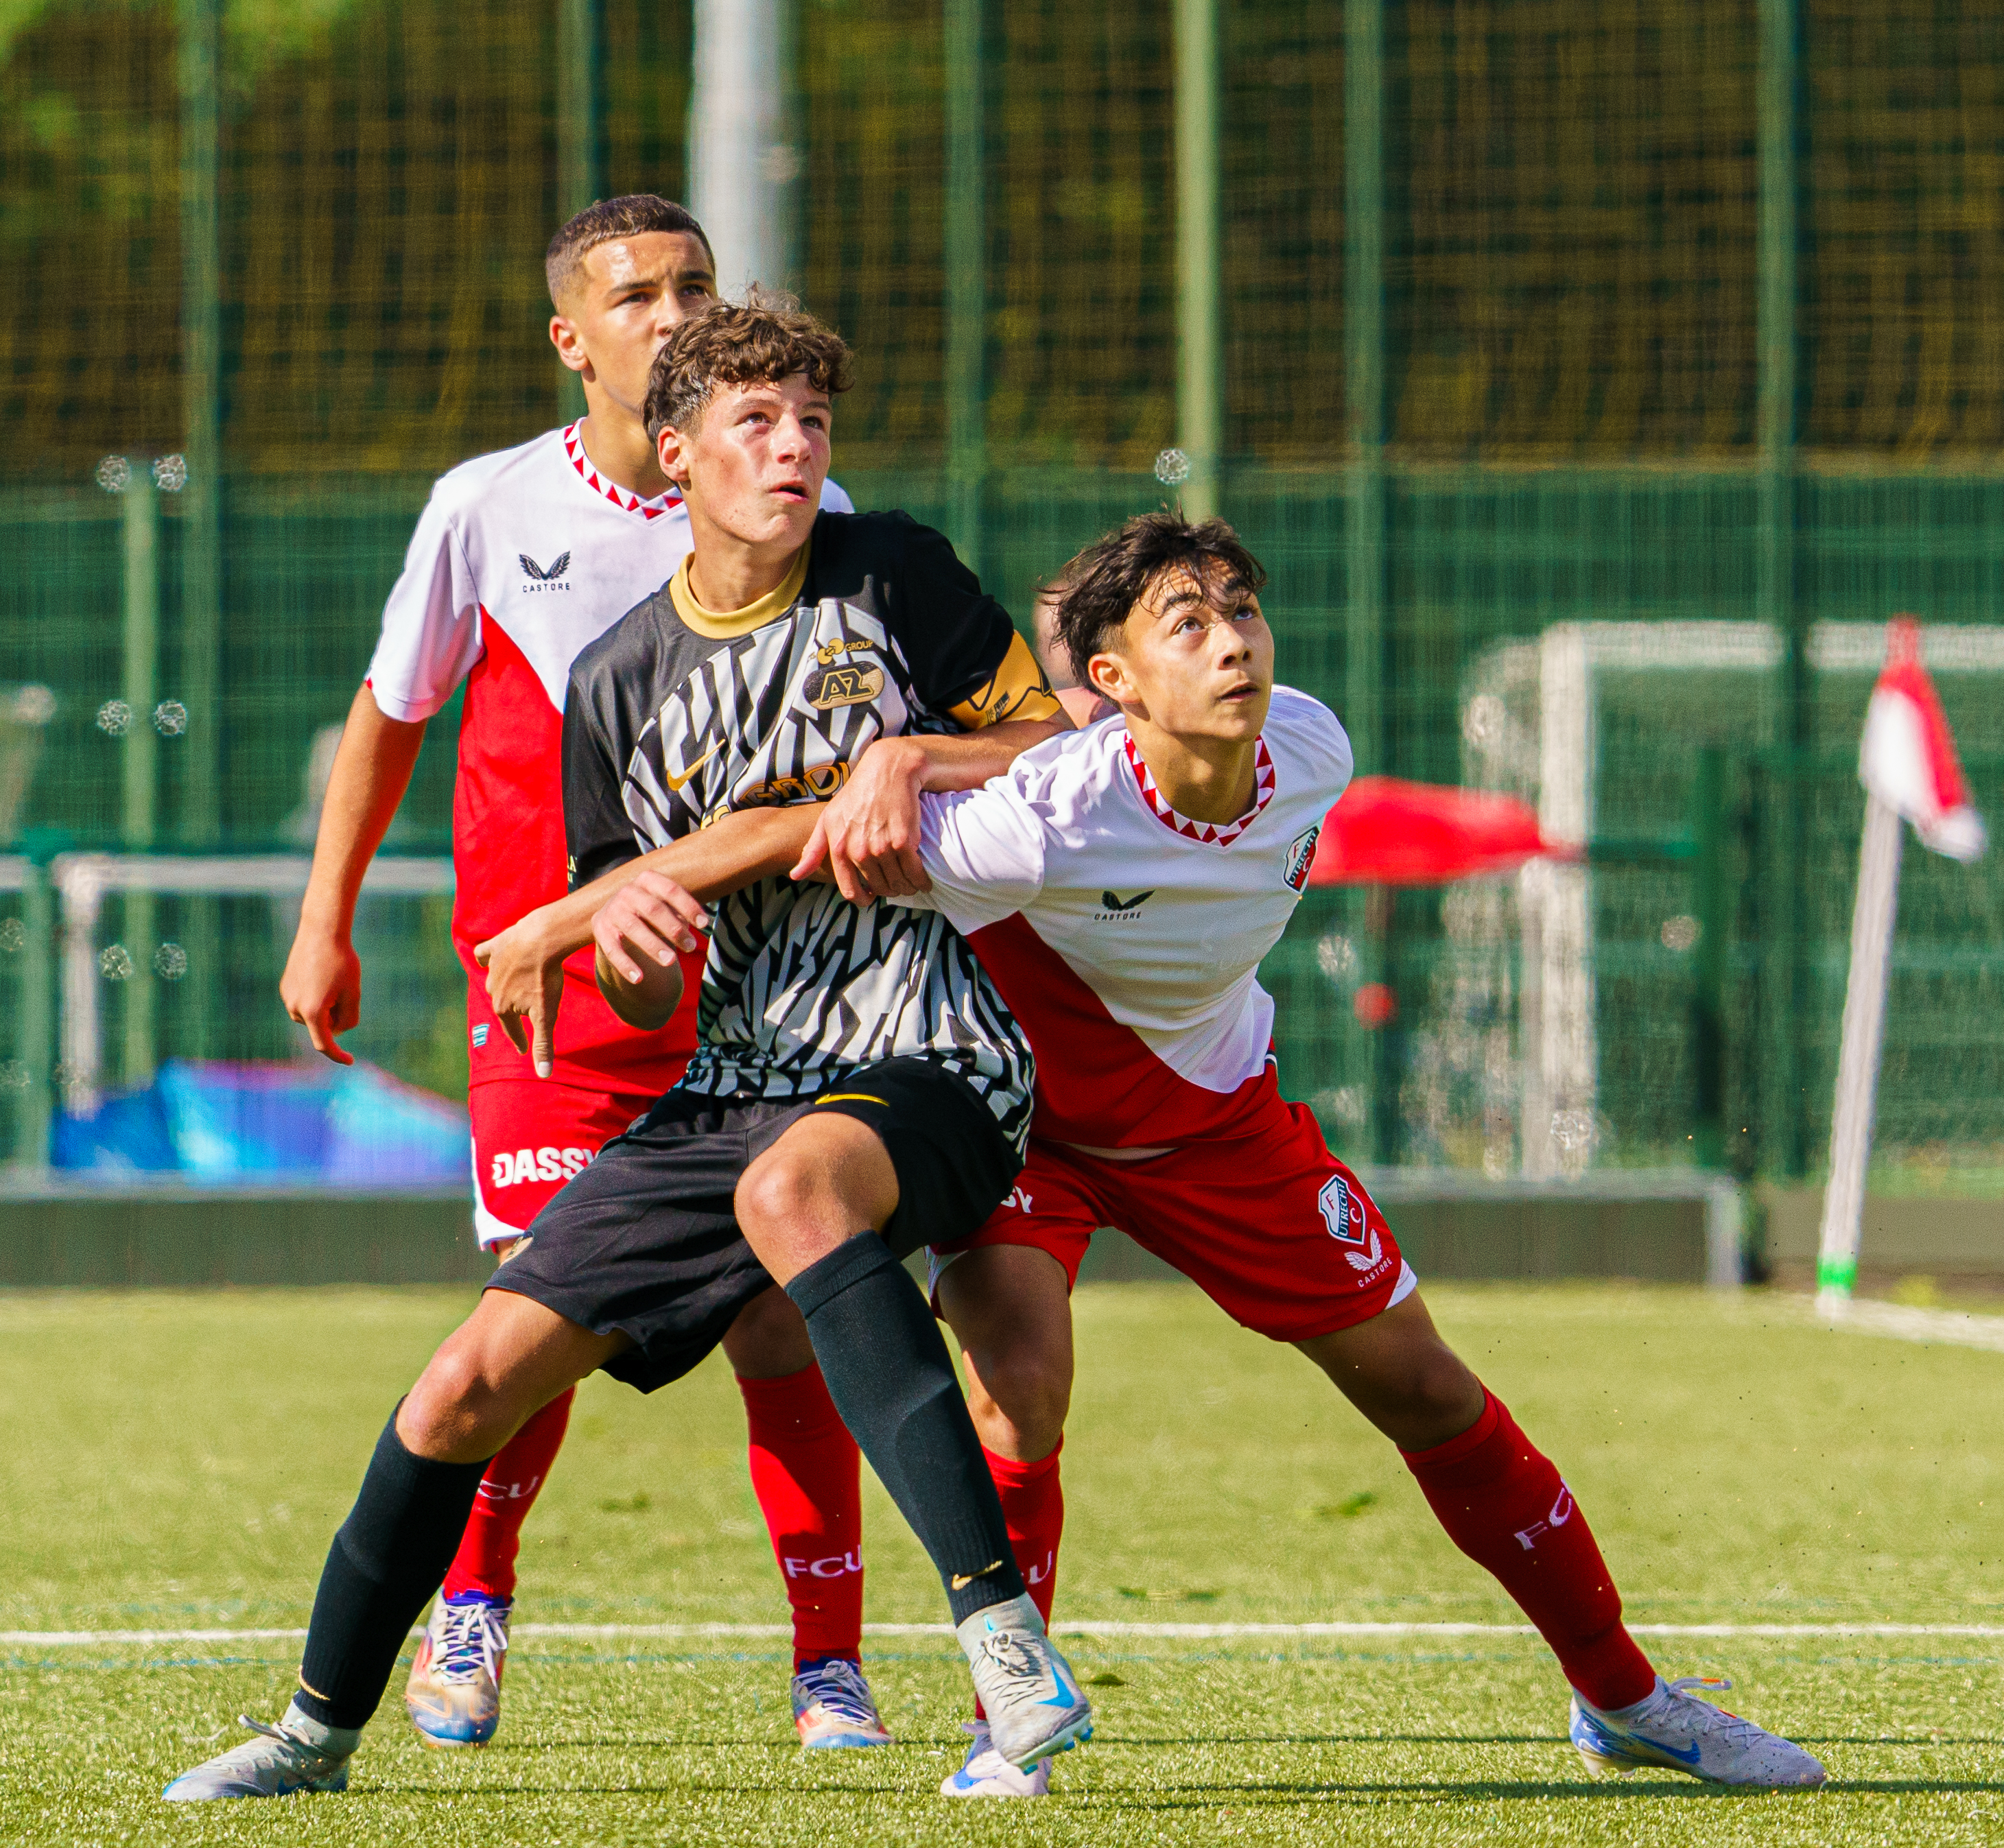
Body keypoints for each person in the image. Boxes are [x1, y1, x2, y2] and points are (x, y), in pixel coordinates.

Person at [537, 511, 1830, 1801]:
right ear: (1110, 686)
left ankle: (1624, 1696)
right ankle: (1010, 1725)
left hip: (1218, 1120)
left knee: (1428, 1390)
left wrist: (913, 753)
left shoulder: (1313, 745)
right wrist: (581, 911)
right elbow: (791, 837)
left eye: (1242, 612)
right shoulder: (1042, 816)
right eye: (1188, 624)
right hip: (1026, 1119)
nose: (1233, 644)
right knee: (1017, 1381)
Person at [167, 297, 1087, 1802]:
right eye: (756, 423)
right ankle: (315, 1733)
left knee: (796, 1199)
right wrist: (641, 963)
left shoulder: (894, 573)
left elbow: (1060, 750)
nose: (793, 449)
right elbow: (650, 978)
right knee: (464, 1383)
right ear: (678, 456)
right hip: (732, 1086)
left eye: (812, 423)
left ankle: (1000, 1647)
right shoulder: (613, 681)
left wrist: (912, 751)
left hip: (928, 1051)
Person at [275, 193, 886, 1755]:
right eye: (636, 296)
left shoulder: (794, 505)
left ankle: (830, 1667)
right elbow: (391, 710)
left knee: (782, 1316)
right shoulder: (484, 504)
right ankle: (470, 1614)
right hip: (541, 996)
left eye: (695, 286)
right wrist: (325, 917)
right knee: (534, 1308)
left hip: (754, 993)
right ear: (572, 340)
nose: (674, 315)